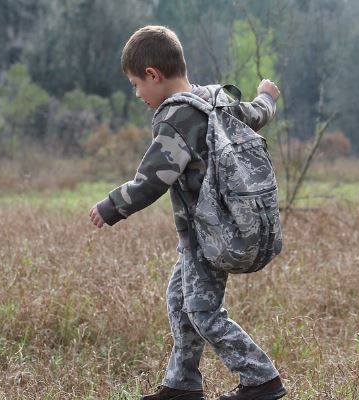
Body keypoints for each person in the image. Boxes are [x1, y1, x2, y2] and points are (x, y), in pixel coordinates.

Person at [89, 25, 286, 400]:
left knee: (201, 309)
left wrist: (112, 206)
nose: (137, 94)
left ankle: (261, 380)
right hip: (217, 226)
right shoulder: (214, 99)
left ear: (153, 75)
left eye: (136, 84)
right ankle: (182, 385)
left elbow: (152, 179)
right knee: (180, 301)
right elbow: (256, 115)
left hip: (209, 231)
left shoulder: (176, 118)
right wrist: (266, 95)